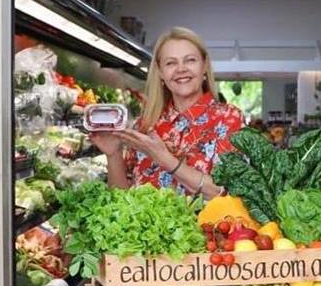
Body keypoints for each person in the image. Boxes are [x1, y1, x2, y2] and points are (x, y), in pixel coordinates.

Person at [92, 27, 243, 199]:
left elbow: (225, 193)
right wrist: (113, 154)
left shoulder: (229, 119)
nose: (181, 69)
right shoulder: (145, 125)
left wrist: (164, 158)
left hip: (204, 226)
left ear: (204, 66)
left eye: (190, 60)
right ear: (160, 72)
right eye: (171, 63)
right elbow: (121, 199)